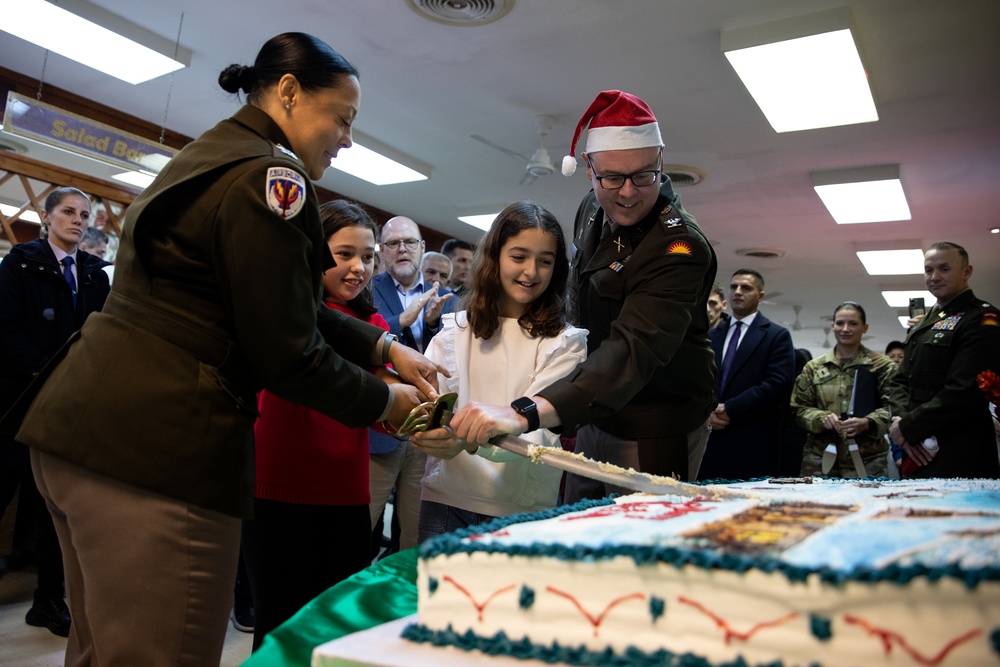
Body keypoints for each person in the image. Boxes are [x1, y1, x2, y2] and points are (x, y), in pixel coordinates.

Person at [5, 33, 442, 667]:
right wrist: (386, 403)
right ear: (289, 92)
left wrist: (381, 345)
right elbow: (286, 351)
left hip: (80, 429)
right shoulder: (275, 177)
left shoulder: (216, 152)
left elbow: (271, 298)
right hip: (158, 450)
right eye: (341, 119)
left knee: (100, 649)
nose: (347, 139)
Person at [444, 90, 717, 496]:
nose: (628, 193)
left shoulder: (679, 248)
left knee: (635, 547)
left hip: (654, 421)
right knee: (576, 526)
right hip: (594, 413)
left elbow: (631, 351)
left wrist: (524, 413)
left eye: (644, 175)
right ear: (589, 170)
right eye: (611, 178)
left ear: (661, 164)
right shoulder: (591, 207)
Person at [243, 200, 392, 649]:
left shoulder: (374, 326)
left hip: (346, 493)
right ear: (313, 250)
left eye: (367, 257)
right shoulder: (285, 311)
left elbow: (385, 407)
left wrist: (416, 420)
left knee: (329, 627)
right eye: (344, 253)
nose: (358, 268)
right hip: (276, 488)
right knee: (278, 624)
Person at [412, 201, 587, 539]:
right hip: (444, 501)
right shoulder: (455, 331)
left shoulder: (566, 343)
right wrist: (429, 434)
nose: (531, 272)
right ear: (495, 256)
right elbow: (430, 403)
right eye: (519, 257)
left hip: (524, 511)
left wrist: (461, 441)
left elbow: (538, 428)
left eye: (545, 261)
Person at [0, 187, 111, 637]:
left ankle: (47, 600)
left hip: (66, 410)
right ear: (47, 217)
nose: (78, 221)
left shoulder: (93, 274)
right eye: (68, 212)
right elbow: (3, 327)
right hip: (16, 402)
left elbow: (98, 339)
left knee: (52, 508)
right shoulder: (20, 262)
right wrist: (44, 371)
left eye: (84, 215)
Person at [369, 216, 455, 553]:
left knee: (415, 535)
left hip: (426, 432)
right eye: (393, 243)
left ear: (422, 248)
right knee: (361, 527)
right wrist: (400, 322)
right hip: (381, 429)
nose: (402, 249)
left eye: (409, 242)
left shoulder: (447, 299)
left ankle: (405, 603)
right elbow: (357, 339)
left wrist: (431, 324)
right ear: (382, 251)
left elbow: (447, 361)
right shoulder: (366, 288)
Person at [887, 242, 1000, 479]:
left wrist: (907, 428)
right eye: (929, 270)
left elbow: (963, 390)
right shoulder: (926, 321)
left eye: (944, 269)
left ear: (966, 272)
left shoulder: (982, 318)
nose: (934, 277)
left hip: (958, 449)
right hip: (916, 447)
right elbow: (899, 380)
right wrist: (902, 425)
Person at [698, 269, 795, 480]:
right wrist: (707, 413)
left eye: (746, 288)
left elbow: (777, 384)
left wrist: (730, 408)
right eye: (734, 287)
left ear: (760, 296)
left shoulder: (776, 335)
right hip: (711, 438)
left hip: (753, 438)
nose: (738, 292)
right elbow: (698, 382)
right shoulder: (712, 336)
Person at [791, 302, 896, 478]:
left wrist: (868, 422)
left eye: (853, 323)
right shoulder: (814, 367)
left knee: (867, 505)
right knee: (816, 505)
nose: (845, 329)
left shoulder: (882, 366)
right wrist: (820, 418)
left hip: (867, 459)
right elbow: (798, 408)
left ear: (865, 327)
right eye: (840, 323)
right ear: (833, 326)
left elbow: (894, 407)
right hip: (820, 458)